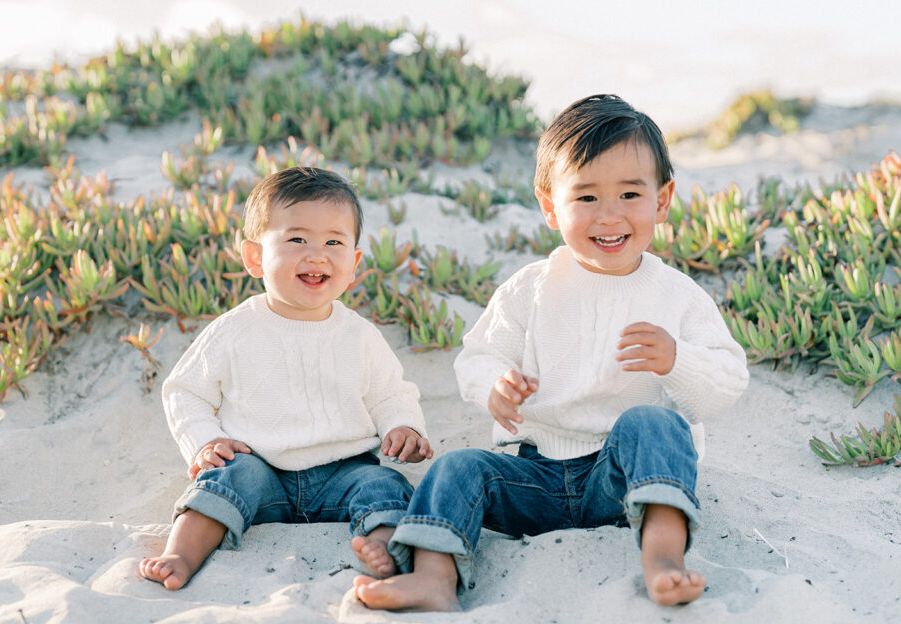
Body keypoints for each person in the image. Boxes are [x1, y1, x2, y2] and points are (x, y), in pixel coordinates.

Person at [353, 94, 749, 610]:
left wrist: (678, 361)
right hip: (534, 476)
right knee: (459, 468)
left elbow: (726, 380)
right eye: (585, 198)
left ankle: (663, 557)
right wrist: (495, 384)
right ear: (549, 206)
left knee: (655, 423)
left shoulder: (677, 296)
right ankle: (433, 574)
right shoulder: (531, 288)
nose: (609, 216)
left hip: (621, 478)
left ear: (662, 199)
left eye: (630, 194)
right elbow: (477, 355)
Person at [140, 166, 432, 590]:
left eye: (334, 241)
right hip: (262, 470)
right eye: (297, 239)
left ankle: (383, 547)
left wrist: (403, 426)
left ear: (353, 262)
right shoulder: (236, 329)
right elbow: (185, 391)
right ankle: (180, 555)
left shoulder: (360, 335)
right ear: (255, 257)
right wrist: (205, 441)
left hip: (343, 471)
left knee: (383, 484)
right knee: (225, 476)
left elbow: (390, 394)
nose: (317, 254)